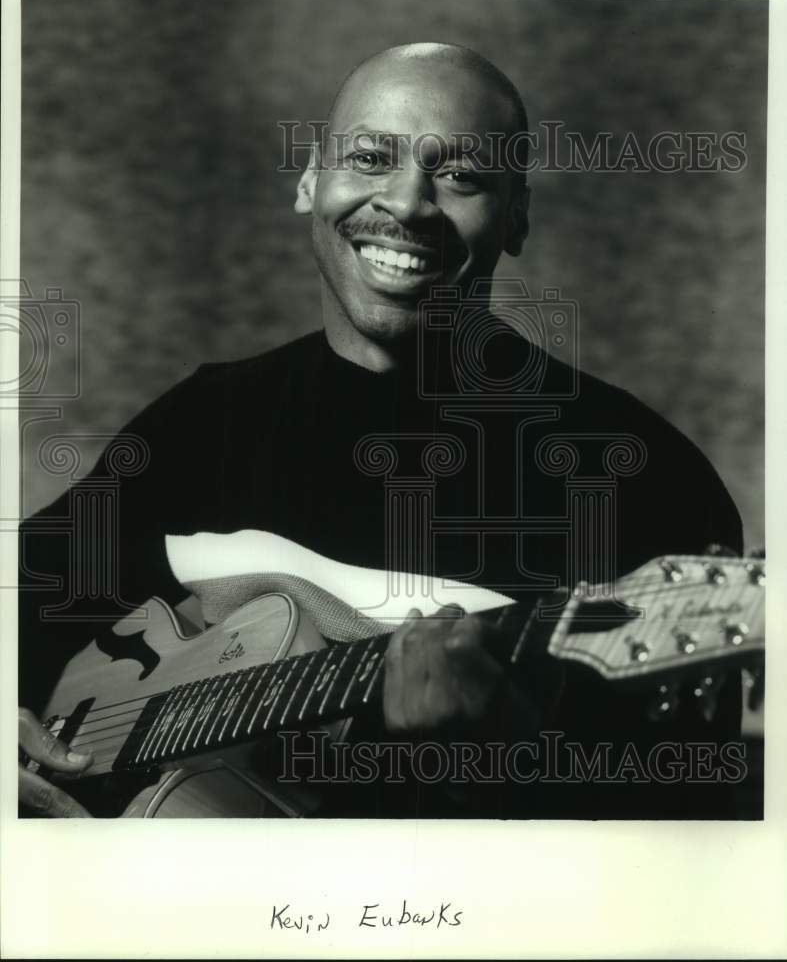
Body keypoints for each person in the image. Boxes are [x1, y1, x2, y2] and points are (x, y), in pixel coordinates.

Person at [18, 43, 745, 819]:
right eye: (369, 158)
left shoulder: (640, 476)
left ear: (516, 214)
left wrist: (503, 753)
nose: (406, 204)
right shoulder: (207, 420)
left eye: (460, 176)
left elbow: (684, 835)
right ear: (311, 179)